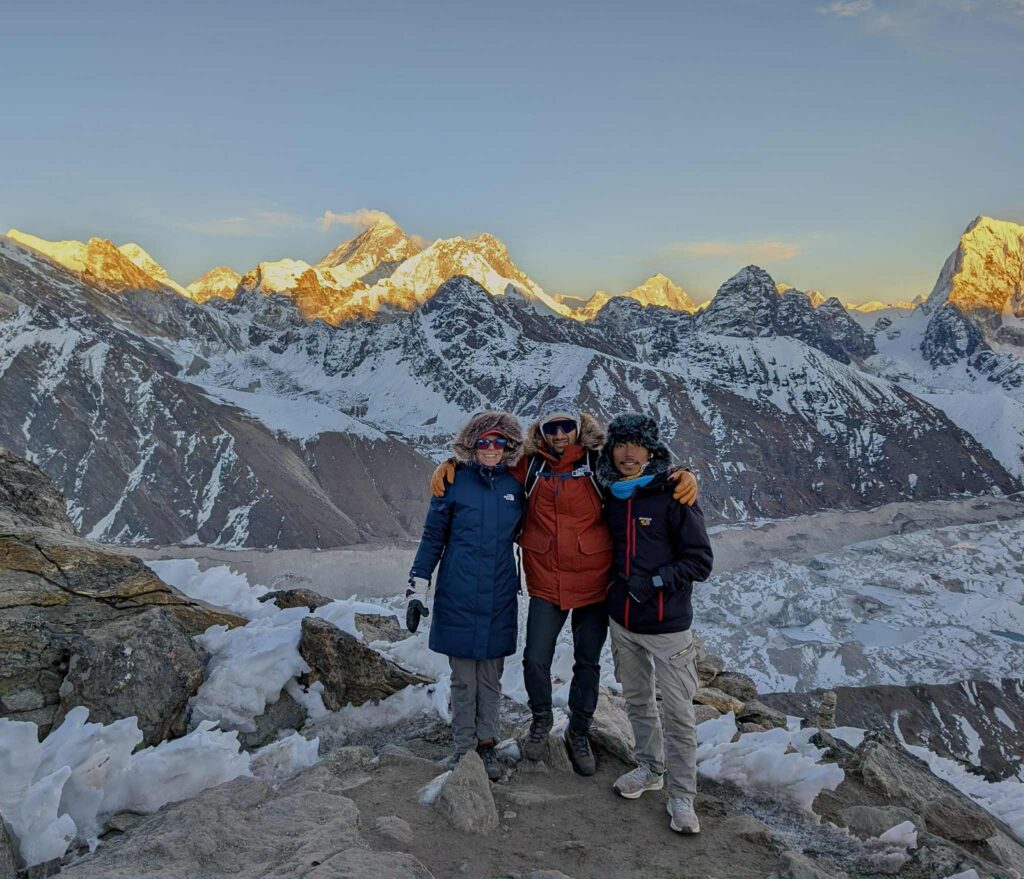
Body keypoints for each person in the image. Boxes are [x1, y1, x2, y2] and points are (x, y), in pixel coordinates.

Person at [430, 397, 699, 776]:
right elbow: (490, 461)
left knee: (586, 663)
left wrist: (682, 472)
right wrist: (451, 464)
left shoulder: (596, 461)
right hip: (547, 580)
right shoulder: (531, 464)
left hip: (594, 580)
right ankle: (541, 719)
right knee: (535, 659)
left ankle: (579, 730)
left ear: (577, 427)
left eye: (566, 426)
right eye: (551, 427)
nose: (559, 434)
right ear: (541, 431)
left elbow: (638, 467)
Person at [596, 413, 713, 834]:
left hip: (668, 626)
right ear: (611, 450)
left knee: (679, 713)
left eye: (637, 445)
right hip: (623, 621)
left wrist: (656, 582)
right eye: (621, 444)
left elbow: (701, 561)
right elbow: (549, 452)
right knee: (638, 701)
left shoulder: (673, 494)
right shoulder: (610, 491)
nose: (629, 453)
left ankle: (683, 796)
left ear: (651, 450)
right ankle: (650, 767)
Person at [407, 411, 526, 782]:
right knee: (463, 678)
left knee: (491, 676)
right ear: (471, 445)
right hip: (459, 589)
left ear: (508, 446)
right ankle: (463, 748)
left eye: (498, 442)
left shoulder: (518, 483)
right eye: (484, 442)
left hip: (500, 591)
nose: (491, 449)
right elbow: (432, 539)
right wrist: (417, 589)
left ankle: (487, 745)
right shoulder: (454, 481)